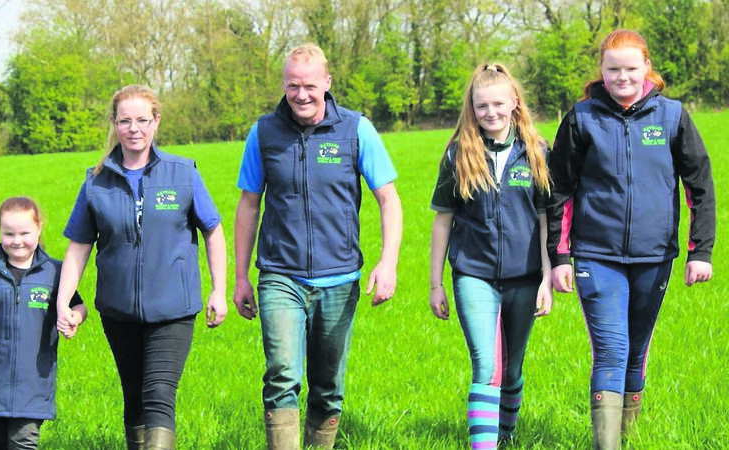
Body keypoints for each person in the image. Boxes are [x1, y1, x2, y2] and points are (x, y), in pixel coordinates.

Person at [547, 29, 716, 449]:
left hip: (655, 255)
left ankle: (628, 436)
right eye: (612, 69)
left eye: (630, 68)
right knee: (611, 350)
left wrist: (702, 251)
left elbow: (700, 187)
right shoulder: (581, 118)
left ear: (646, 68)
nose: (622, 77)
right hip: (595, 254)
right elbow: (559, 191)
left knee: (636, 353)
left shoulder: (673, 117)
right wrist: (561, 255)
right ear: (601, 71)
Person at [233, 43, 403, 450]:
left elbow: (389, 199)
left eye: (310, 85)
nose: (302, 94)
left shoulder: (356, 129)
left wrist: (388, 262)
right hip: (280, 274)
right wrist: (240, 277)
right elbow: (248, 204)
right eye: (293, 85)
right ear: (283, 85)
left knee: (327, 387)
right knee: (282, 374)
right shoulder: (264, 132)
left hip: (340, 278)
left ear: (327, 83)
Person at [55, 84, 227, 450]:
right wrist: (64, 301)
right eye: (125, 121)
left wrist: (219, 290)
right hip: (118, 311)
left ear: (156, 122)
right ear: (114, 124)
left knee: (159, 394)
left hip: (173, 309)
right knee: (134, 398)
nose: (134, 129)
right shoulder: (96, 181)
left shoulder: (182, 173)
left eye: (142, 120)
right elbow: (79, 246)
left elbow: (213, 230)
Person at [428, 63, 553, 449]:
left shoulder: (537, 151)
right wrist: (436, 283)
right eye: (482, 106)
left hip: (525, 277)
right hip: (473, 275)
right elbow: (442, 221)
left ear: (514, 102)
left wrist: (548, 277)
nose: (491, 113)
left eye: (498, 103)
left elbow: (548, 219)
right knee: (487, 367)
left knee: (512, 370)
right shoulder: (458, 155)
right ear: (472, 108)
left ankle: (507, 434)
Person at [0, 196, 88, 450]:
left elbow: (78, 305)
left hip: (33, 384)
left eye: (24, 232)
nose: (17, 240)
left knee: (23, 442)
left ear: (39, 228)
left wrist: (74, 318)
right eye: (8, 233)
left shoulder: (54, 273)